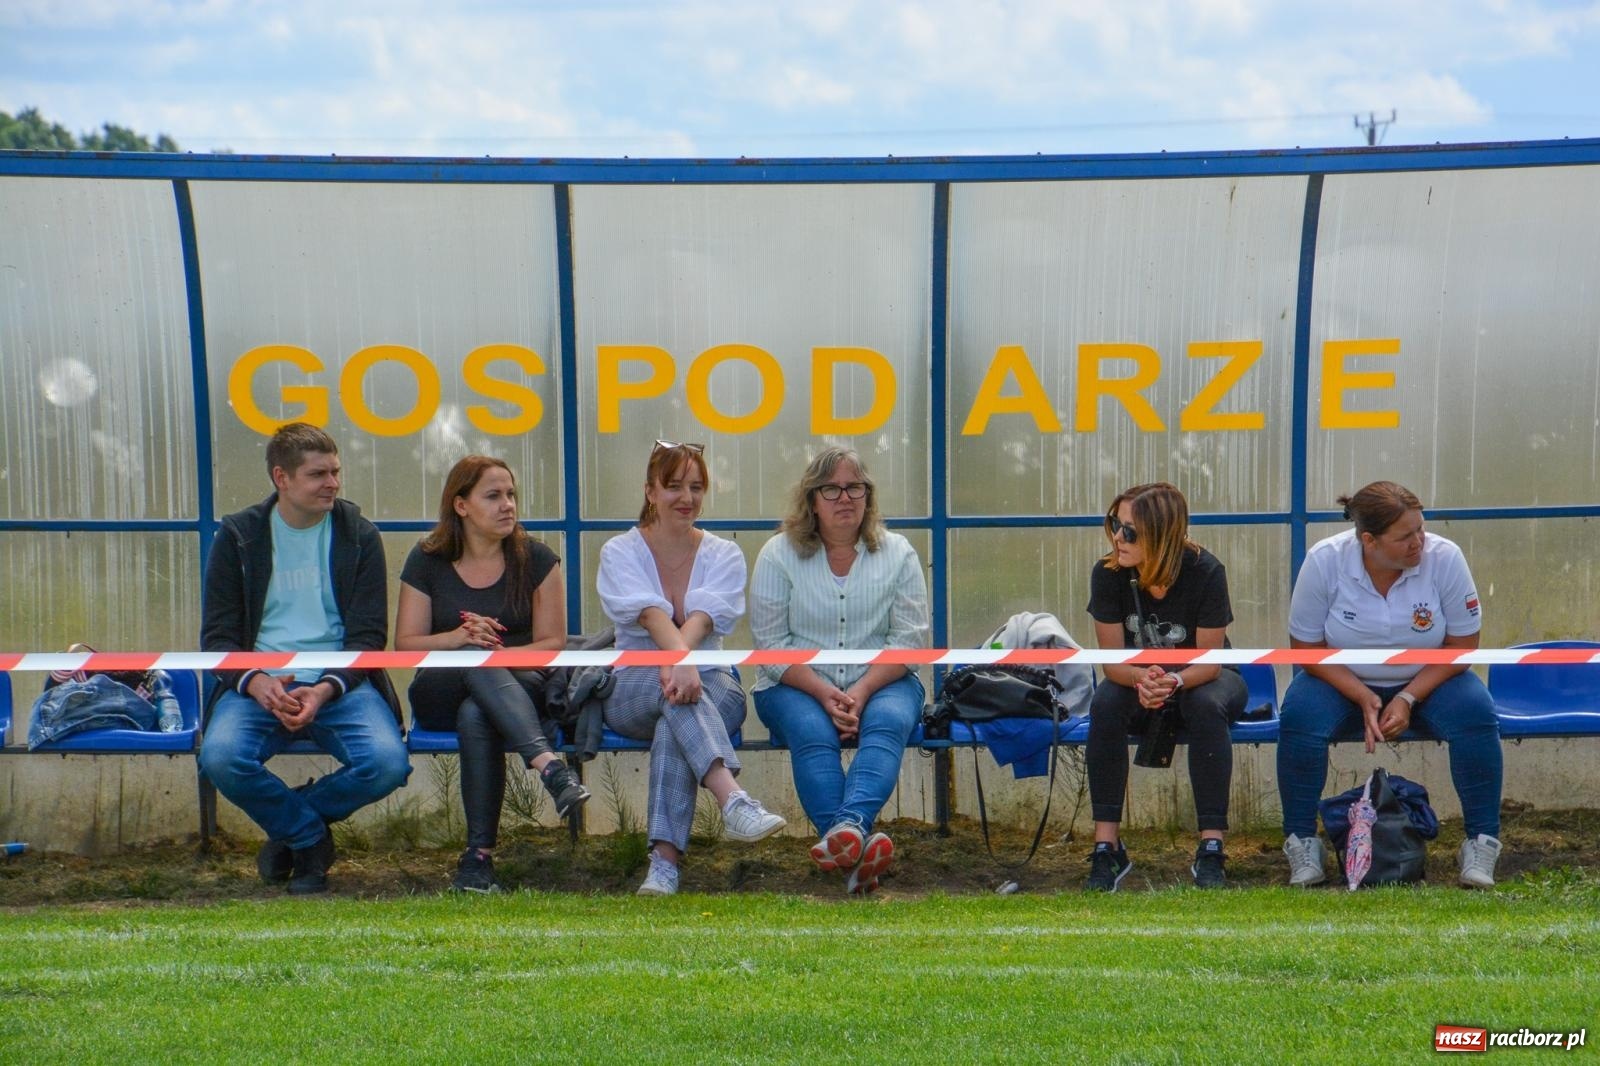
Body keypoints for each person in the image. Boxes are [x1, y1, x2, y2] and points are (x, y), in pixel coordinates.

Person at [199, 422, 411, 894]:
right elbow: (217, 638)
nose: (333, 483)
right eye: (319, 474)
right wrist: (255, 681)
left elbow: (368, 638)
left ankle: (291, 823)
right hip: (258, 686)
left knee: (388, 764)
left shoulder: (359, 535)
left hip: (339, 685)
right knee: (220, 757)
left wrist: (323, 688)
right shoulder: (238, 537)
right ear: (282, 477)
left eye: (336, 471)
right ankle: (308, 838)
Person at [1279, 481, 1503, 888]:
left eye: (1421, 528)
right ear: (1368, 540)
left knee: (1476, 712)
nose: (1419, 542)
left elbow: (1462, 646)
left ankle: (1481, 842)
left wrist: (1407, 696)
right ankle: (1302, 842)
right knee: (1299, 715)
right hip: (1339, 679)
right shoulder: (1324, 560)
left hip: (1430, 679)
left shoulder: (1445, 558)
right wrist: (1361, 694)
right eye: (1405, 536)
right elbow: (1306, 647)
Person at [598, 440, 786, 896]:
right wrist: (678, 662)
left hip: (712, 683)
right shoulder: (619, 551)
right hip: (632, 687)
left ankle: (663, 867)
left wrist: (682, 663)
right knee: (675, 698)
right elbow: (648, 615)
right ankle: (732, 799)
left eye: (697, 487)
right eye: (674, 486)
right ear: (650, 491)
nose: (687, 497)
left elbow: (704, 619)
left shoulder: (724, 553)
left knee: (676, 715)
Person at [396, 455, 589, 893]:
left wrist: (497, 654)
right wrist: (459, 638)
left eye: (511, 495)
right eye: (493, 496)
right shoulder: (427, 560)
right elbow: (405, 645)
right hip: (439, 690)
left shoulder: (537, 559)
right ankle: (549, 766)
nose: (508, 505)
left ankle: (477, 861)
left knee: (476, 713)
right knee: (471, 674)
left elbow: (552, 645)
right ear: (461, 506)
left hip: (519, 688)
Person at [750, 446, 931, 896]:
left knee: (888, 722)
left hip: (884, 681)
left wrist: (864, 690)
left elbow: (911, 641)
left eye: (855, 488)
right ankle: (857, 845)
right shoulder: (777, 554)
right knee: (812, 730)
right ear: (812, 500)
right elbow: (770, 647)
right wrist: (823, 691)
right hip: (792, 684)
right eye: (831, 489)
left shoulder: (899, 553)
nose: (844, 498)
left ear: (868, 497)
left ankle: (846, 830)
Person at [1083, 482, 1248, 891]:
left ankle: (1211, 847)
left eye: (1130, 531)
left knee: (1207, 705)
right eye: (1114, 525)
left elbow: (1210, 662)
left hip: (1204, 676)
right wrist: (1142, 678)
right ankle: (1107, 846)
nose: (1118, 538)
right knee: (1104, 704)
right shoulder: (1108, 574)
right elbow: (1112, 663)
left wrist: (1172, 680)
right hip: (1137, 677)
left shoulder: (1206, 571)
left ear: (1162, 535)